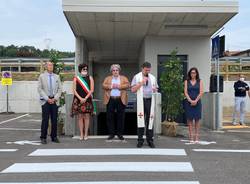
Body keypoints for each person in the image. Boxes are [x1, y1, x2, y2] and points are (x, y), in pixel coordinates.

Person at [131, 62, 158, 148]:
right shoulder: (137, 77)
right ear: (142, 68)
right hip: (141, 100)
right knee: (141, 119)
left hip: (150, 100)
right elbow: (133, 90)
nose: (148, 72)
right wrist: (141, 83)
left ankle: (150, 140)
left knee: (150, 120)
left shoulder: (153, 77)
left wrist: (155, 89)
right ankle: (140, 140)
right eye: (146, 70)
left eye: (149, 70)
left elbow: (156, 88)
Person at [102, 64, 130, 141]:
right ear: (112, 71)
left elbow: (128, 85)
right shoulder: (108, 78)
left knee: (121, 117)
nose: (115, 72)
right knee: (109, 117)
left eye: (116, 70)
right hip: (110, 99)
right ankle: (111, 134)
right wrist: (111, 86)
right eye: (113, 70)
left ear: (119, 71)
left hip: (120, 99)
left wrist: (118, 86)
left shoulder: (123, 78)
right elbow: (103, 85)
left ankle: (120, 134)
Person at [38, 61, 62, 144]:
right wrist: (47, 98)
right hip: (45, 101)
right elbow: (40, 89)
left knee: (54, 119)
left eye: (52, 65)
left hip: (54, 100)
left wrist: (55, 98)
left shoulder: (57, 77)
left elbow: (60, 89)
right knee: (45, 120)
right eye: (49, 65)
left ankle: (54, 136)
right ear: (46, 67)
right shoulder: (42, 76)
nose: (51, 66)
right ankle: (43, 137)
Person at [71, 64, 94, 140]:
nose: (85, 70)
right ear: (80, 70)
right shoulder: (76, 79)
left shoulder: (90, 78)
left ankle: (86, 134)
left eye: (86, 69)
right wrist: (80, 98)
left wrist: (85, 98)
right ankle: (81, 134)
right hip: (78, 100)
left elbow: (91, 90)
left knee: (87, 117)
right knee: (80, 117)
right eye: (83, 69)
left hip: (87, 100)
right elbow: (74, 90)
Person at [184, 67, 203, 144]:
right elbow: (185, 92)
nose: (193, 74)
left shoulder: (200, 81)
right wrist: (190, 100)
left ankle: (197, 137)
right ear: (190, 74)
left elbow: (201, 92)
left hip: (197, 102)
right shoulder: (186, 81)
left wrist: (195, 100)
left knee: (197, 120)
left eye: (194, 73)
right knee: (190, 120)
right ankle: (191, 137)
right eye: (192, 73)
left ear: (196, 74)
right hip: (189, 102)